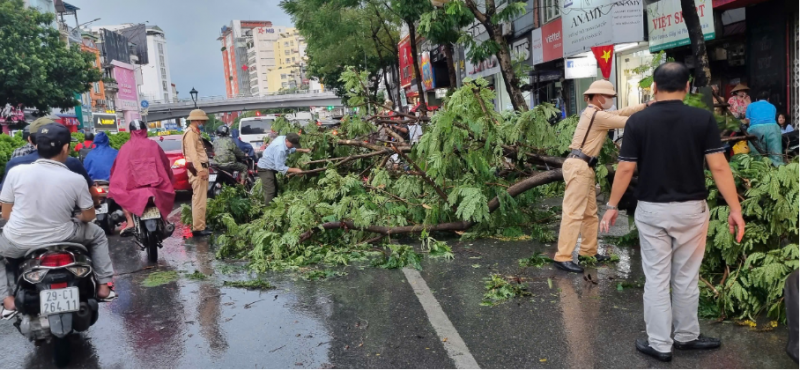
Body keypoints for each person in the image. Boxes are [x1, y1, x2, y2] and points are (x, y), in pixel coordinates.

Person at [600, 62, 745, 362]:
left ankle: (660, 345)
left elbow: (625, 167)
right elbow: (719, 166)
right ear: (687, 87)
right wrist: (735, 209)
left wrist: (611, 206)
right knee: (686, 277)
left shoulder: (638, 123)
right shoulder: (702, 119)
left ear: (654, 87)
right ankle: (686, 336)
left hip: (652, 211)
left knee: (656, 278)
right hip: (692, 211)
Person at [0, 123, 117, 314]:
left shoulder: (15, 173)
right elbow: (89, 216)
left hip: (19, 240)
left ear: (36, 145)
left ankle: (6, 299)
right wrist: (76, 217)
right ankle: (104, 286)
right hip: (65, 236)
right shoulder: (75, 178)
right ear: (65, 148)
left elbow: (6, 214)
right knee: (98, 235)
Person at [553, 80, 647, 274]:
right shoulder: (597, 116)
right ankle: (562, 257)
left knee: (589, 213)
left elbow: (620, 112)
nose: (611, 100)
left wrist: (646, 105)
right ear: (598, 97)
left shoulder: (595, 113)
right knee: (573, 213)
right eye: (609, 97)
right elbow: (629, 121)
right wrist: (653, 113)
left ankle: (588, 252)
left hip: (583, 166)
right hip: (579, 167)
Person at [109, 120, 175, 236]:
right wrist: (168, 178)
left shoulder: (125, 148)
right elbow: (165, 164)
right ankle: (164, 220)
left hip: (133, 191)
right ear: (145, 130)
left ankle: (130, 222)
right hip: (155, 188)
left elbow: (118, 170)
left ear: (131, 132)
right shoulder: (153, 145)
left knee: (118, 191)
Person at [2, 117, 93, 192]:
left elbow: (4, 196)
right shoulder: (72, 163)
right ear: (65, 147)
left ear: (29, 139)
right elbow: (91, 194)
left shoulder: (14, 164)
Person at [256, 133, 311, 205]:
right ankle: (267, 211)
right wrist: (296, 170)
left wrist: (303, 150)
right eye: (292, 145)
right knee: (271, 191)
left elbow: (290, 149)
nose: (293, 147)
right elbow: (280, 167)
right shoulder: (280, 149)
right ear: (287, 140)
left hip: (270, 167)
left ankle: (272, 206)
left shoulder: (283, 138)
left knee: (275, 188)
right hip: (265, 168)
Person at [181, 109, 212, 237]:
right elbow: (193, 154)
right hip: (197, 169)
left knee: (200, 199)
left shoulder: (195, 132)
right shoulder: (190, 134)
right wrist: (200, 170)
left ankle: (200, 225)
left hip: (201, 167)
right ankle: (199, 228)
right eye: (202, 120)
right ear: (198, 120)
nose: (204, 122)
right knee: (199, 199)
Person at [746, 91, 783, 166]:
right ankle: (778, 168)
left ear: (756, 99)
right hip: (773, 128)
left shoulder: (750, 106)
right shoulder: (772, 106)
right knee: (776, 152)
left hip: (756, 129)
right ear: (768, 99)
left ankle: (759, 169)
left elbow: (747, 120)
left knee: (757, 154)